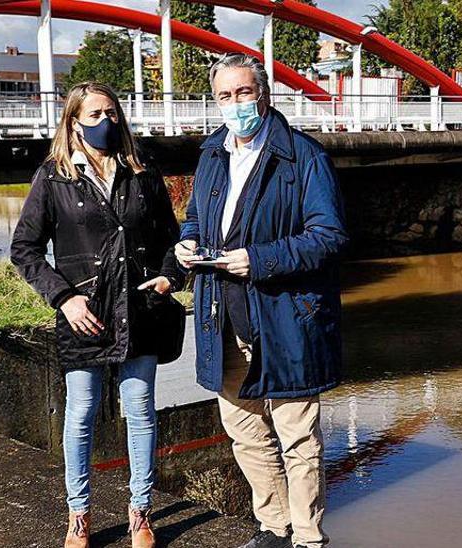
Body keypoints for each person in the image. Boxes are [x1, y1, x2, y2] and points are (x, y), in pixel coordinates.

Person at [174, 53, 348, 548]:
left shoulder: (303, 157)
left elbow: (329, 236)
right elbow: (194, 219)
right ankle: (274, 527)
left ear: (265, 95)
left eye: (244, 93)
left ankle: (309, 538)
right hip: (221, 313)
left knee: (296, 434)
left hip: (286, 313)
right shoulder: (212, 155)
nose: (235, 104)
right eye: (225, 96)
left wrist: (261, 259)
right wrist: (188, 243)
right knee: (244, 428)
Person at [11, 81, 184, 548]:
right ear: (73, 122)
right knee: (82, 412)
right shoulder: (54, 177)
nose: (106, 122)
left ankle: (140, 512)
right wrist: (64, 298)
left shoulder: (141, 169)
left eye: (112, 112)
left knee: (140, 411)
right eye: (95, 115)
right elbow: (24, 249)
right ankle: (79, 514)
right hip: (84, 313)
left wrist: (169, 277)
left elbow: (173, 236)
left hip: (140, 307)